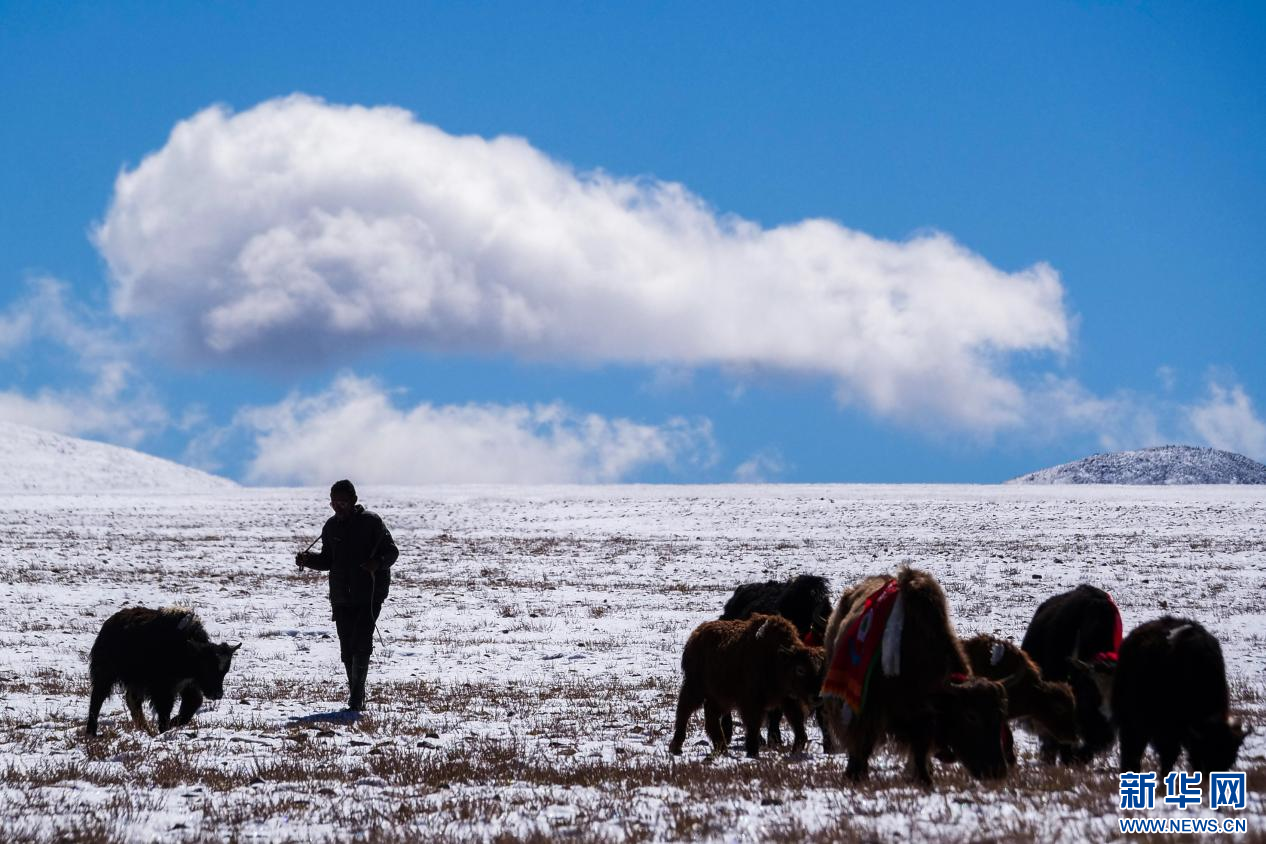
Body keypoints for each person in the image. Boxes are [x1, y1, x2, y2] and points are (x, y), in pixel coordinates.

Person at [295, 479, 399, 712]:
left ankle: (356, 697)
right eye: (334, 502)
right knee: (346, 647)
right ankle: (356, 692)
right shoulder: (330, 527)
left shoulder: (371, 522)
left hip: (369, 595)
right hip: (341, 596)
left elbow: (392, 552)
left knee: (361, 641)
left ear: (354, 500)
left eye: (342, 502)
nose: (337, 507)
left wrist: (377, 563)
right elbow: (327, 561)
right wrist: (307, 560)